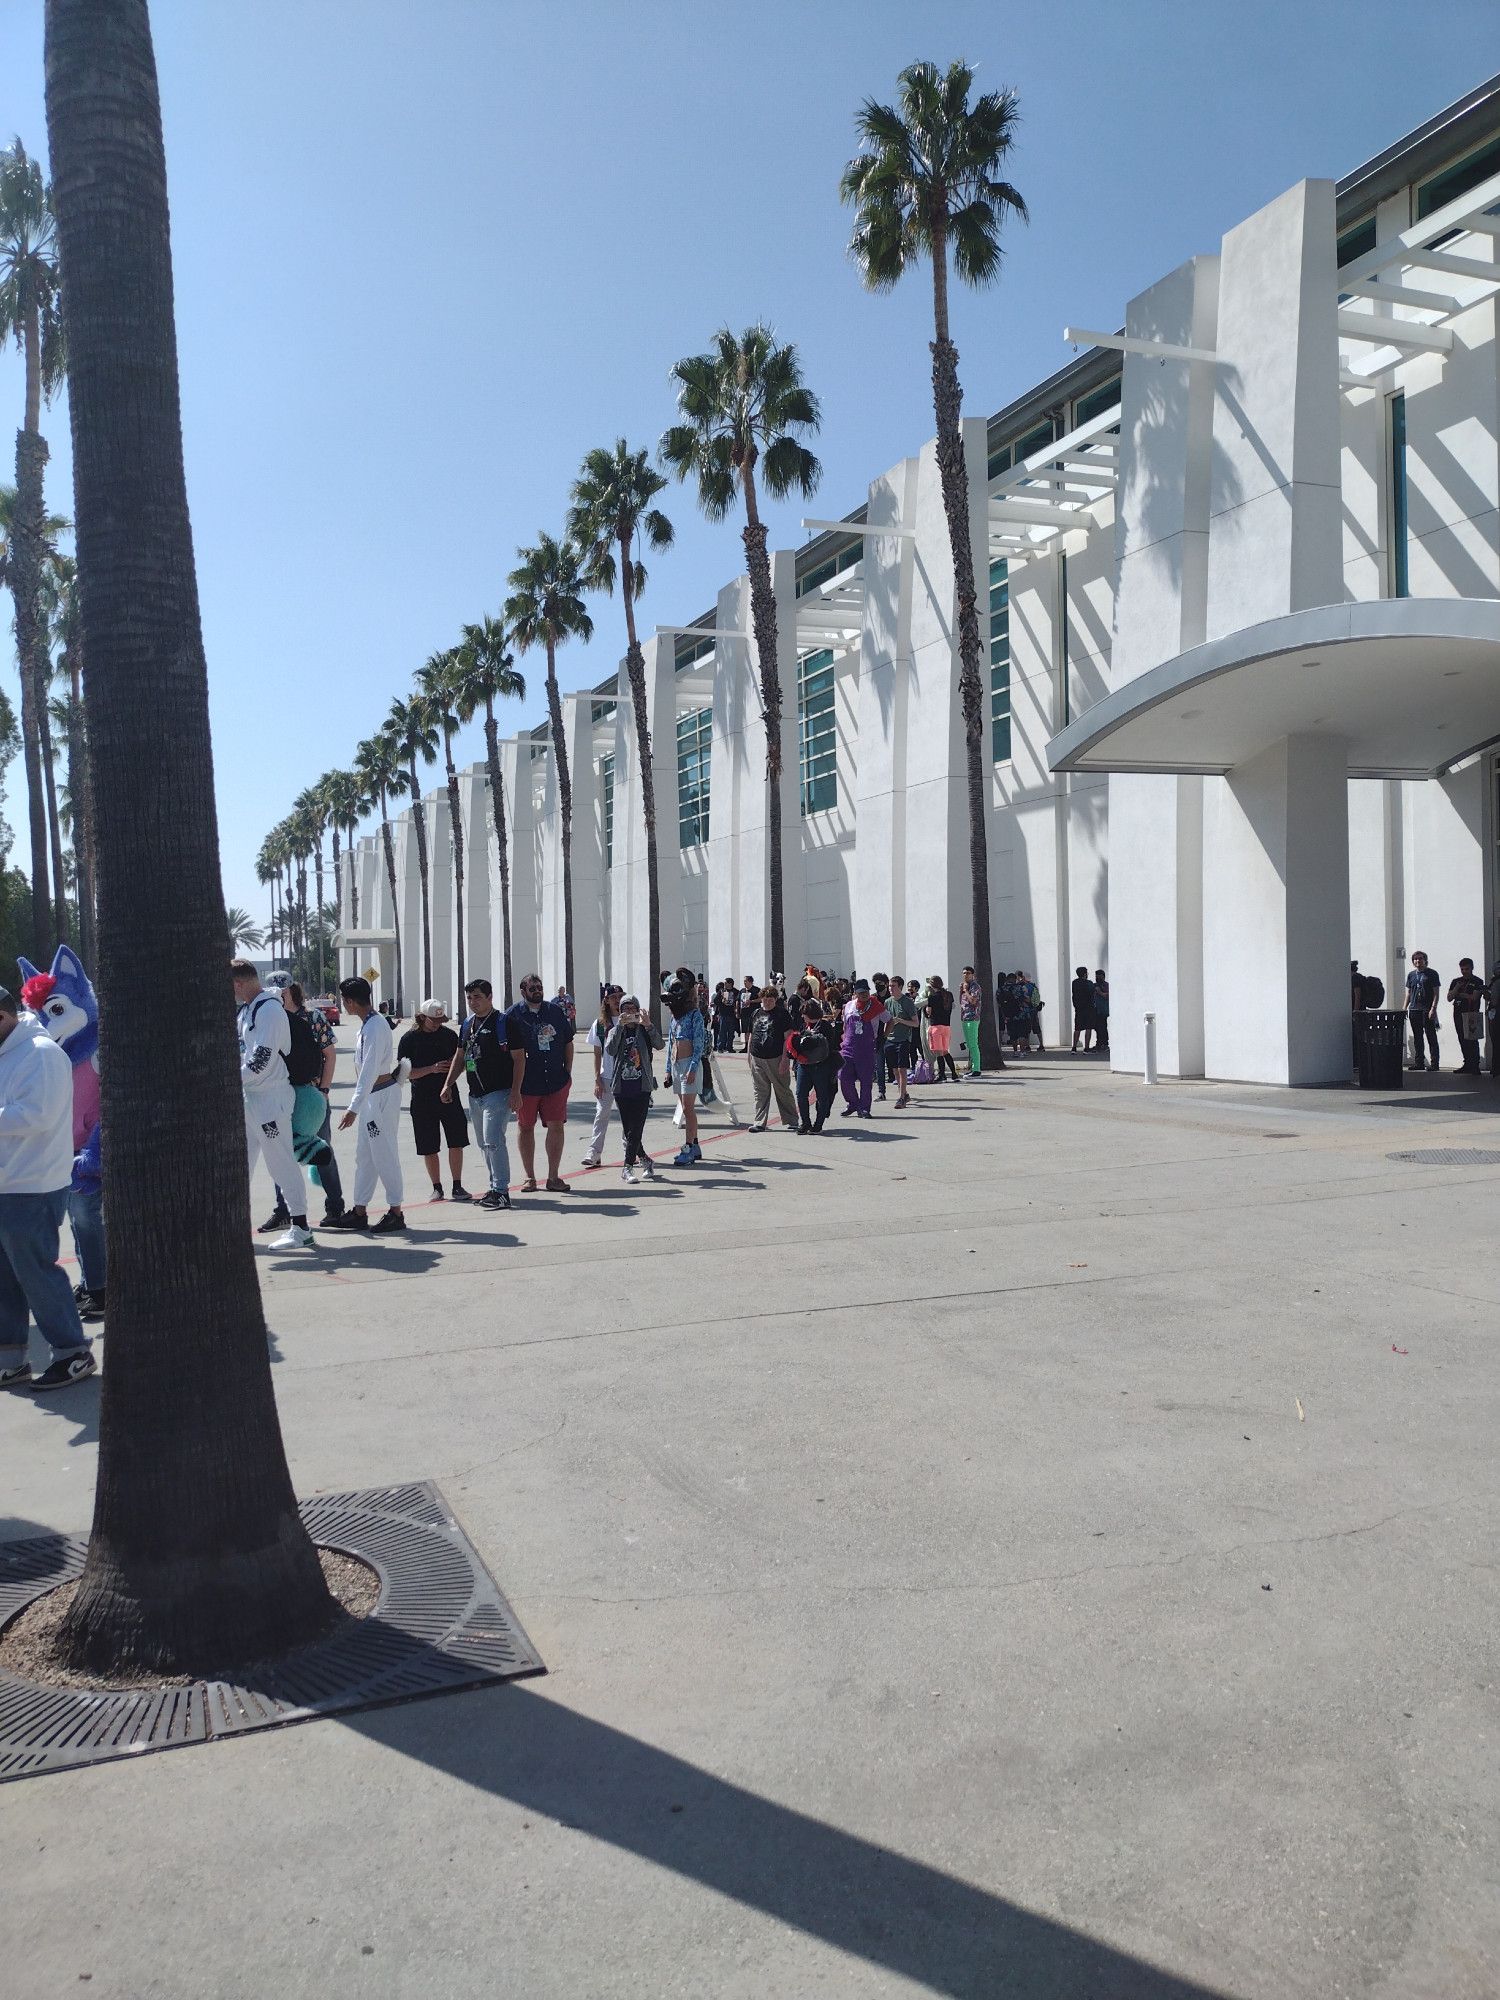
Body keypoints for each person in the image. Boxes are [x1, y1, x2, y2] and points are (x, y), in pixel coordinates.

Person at [0, 986, 96, 1390]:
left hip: (32, 1184)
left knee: (37, 1272)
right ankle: (12, 1357)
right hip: (10, 1182)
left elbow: (35, 1116)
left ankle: (73, 1353)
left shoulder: (41, 1053)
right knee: (5, 1275)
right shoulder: (11, 1052)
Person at [232, 959, 313, 1249]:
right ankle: (235, 1227)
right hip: (250, 1099)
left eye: (231, 986)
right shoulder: (247, 1010)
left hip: (270, 1100)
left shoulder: (269, 1011)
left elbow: (261, 1061)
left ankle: (301, 1226)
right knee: (241, 1165)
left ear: (239, 983)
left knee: (280, 1163)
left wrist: (228, 1081)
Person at [328, 975, 406, 1232]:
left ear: (350, 1001)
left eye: (343, 1000)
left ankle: (395, 1211)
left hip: (380, 1095)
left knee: (384, 1154)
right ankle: (360, 1210)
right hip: (372, 1097)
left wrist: (353, 1107)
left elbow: (369, 1071)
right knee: (366, 1156)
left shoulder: (375, 1026)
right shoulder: (367, 1024)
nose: (343, 1004)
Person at [442, 977, 520, 1210]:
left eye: (477, 997)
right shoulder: (467, 1025)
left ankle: (502, 1191)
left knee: (494, 1141)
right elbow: (460, 1056)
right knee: (484, 1143)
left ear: (489, 997)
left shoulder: (504, 1022)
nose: (473, 1002)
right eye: (469, 998)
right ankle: (494, 1186)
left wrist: (516, 1092)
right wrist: (448, 1084)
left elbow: (519, 1059)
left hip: (499, 1092)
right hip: (475, 1095)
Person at [276, 981, 347, 1225]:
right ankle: (284, 1211)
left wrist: (324, 1090)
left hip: (311, 1096)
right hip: (280, 1097)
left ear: (290, 991)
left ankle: (335, 1206)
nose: (276, 996)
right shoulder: (271, 1018)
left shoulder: (312, 1017)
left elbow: (329, 1054)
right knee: (279, 1153)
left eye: (280, 991)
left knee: (322, 1147)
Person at [507, 971, 575, 1192]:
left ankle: (553, 1177)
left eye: (539, 987)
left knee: (556, 1126)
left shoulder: (554, 1011)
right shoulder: (512, 1015)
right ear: (523, 991)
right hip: (527, 1084)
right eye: (532, 988)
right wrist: (513, 1087)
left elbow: (568, 1042)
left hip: (556, 1081)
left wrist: (567, 1073)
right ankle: (529, 1177)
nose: (537, 991)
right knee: (525, 1127)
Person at [398, 999, 470, 1200]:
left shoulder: (449, 1035)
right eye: (433, 1020)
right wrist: (431, 1069)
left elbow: (461, 1062)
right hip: (422, 1098)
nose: (438, 1023)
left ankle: (457, 1185)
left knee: (456, 1141)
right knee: (428, 1145)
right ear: (422, 1018)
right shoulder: (409, 1039)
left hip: (449, 1095)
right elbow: (403, 1074)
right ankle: (437, 1187)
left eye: (440, 1019)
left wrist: (452, 1073)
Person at [605, 996, 663, 1181]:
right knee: (630, 1129)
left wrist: (648, 1025)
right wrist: (620, 1027)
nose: (629, 1013)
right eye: (625, 1009)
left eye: (633, 1009)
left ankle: (627, 1167)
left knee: (635, 1129)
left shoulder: (644, 1030)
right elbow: (610, 1050)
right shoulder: (616, 1030)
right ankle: (645, 1160)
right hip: (621, 1087)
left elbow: (660, 1045)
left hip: (642, 1086)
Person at [581, 984, 624, 1168]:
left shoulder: (629, 1019)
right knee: (601, 1115)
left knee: (627, 1117)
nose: (617, 999)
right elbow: (597, 1053)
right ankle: (594, 1153)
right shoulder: (599, 1025)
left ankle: (630, 1150)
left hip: (627, 1077)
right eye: (613, 996)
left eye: (620, 996)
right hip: (607, 1077)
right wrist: (597, 1079)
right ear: (606, 1000)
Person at [746, 985, 798, 1131]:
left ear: (775, 1000)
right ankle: (759, 1122)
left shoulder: (782, 1014)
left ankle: (792, 1120)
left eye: (770, 999)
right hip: (757, 1057)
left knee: (782, 1090)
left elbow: (788, 1038)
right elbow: (751, 1034)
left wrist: (785, 1059)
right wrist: (749, 1055)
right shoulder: (756, 1013)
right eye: (765, 999)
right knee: (760, 1091)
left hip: (775, 1058)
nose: (767, 1002)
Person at [69, 1117, 105, 1324]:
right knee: (77, 1222)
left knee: (86, 1219)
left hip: (89, 1146)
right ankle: (88, 1283)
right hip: (67, 1144)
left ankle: (99, 1290)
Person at [667, 980, 706, 1166]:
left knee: (687, 1109)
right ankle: (695, 1145)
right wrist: (668, 1069)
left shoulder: (695, 1015)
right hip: (677, 1065)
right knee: (685, 1108)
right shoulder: (674, 1018)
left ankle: (688, 1147)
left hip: (690, 1065)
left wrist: (692, 1068)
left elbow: (699, 1044)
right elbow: (671, 1044)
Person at [838, 978, 885, 1118]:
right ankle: (853, 1103)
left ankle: (864, 1109)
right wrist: (845, 1037)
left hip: (866, 1048)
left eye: (866, 991)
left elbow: (890, 1020)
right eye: (861, 992)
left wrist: (883, 1037)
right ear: (855, 993)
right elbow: (845, 1024)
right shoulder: (848, 1006)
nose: (864, 994)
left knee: (866, 1081)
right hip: (848, 1047)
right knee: (844, 1077)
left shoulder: (875, 1005)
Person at [787, 1000, 836, 1132]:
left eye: (804, 1014)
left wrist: (812, 1042)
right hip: (803, 1065)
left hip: (821, 1067)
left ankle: (818, 1124)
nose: (802, 1016)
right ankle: (805, 1122)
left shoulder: (825, 1027)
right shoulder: (804, 1026)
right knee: (801, 1094)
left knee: (822, 1096)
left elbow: (830, 1047)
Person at [1447, 958, 1485, 1075]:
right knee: (1462, 1038)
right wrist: (1457, 989)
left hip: (1471, 1013)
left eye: (1467, 969)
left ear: (1472, 968)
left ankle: (1475, 1065)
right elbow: (1449, 997)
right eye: (1462, 969)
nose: (1464, 972)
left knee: (1472, 1039)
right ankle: (1467, 1063)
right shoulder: (1456, 981)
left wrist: (1459, 994)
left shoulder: (1477, 981)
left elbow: (1474, 997)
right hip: (1458, 1013)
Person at [1405, 950, 1441, 1071]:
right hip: (1414, 1009)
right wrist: (1404, 1008)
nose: (1418, 961)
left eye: (1420, 958)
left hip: (1427, 1009)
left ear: (1425, 960)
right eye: (1415, 959)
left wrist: (1433, 1009)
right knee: (1417, 1037)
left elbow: (1436, 993)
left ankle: (1435, 1063)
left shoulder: (1432, 974)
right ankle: (1419, 1062)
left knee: (1431, 1036)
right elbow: (1408, 993)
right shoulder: (1411, 975)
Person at [886, 973, 918, 1107]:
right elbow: (886, 1022)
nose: (890, 988)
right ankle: (904, 1093)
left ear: (900, 987)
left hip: (904, 1039)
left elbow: (915, 1023)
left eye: (893, 986)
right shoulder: (887, 1002)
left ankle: (901, 1098)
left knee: (902, 1068)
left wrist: (901, 1021)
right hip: (890, 1039)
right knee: (894, 1070)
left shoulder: (907, 1002)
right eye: (889, 986)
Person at [924, 976, 958, 1081]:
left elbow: (928, 1013)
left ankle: (942, 1074)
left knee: (938, 1052)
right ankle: (953, 1073)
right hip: (946, 1026)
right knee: (945, 1051)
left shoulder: (932, 997)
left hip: (936, 1026)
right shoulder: (949, 995)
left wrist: (925, 1010)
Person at [958, 967, 983, 1075]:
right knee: (969, 1044)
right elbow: (961, 1002)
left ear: (972, 974)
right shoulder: (965, 986)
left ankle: (976, 1069)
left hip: (972, 1018)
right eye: (964, 973)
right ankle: (972, 1067)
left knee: (973, 1044)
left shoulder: (974, 986)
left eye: (968, 973)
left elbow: (973, 1000)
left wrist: (965, 991)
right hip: (965, 1017)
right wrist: (961, 991)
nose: (965, 975)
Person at [1070, 966, 1096, 1053]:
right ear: (1085, 974)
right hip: (1088, 1008)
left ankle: (1074, 1047)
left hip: (1078, 1008)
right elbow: (1093, 992)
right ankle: (1086, 1048)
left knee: (1077, 1028)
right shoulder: (1089, 983)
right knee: (1088, 1028)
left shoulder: (1074, 983)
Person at [738, 975, 760, 1053]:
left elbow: (761, 999)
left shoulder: (756, 990)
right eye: (744, 981)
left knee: (753, 1030)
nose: (744, 983)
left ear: (750, 982)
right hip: (744, 1013)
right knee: (745, 1030)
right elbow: (738, 1000)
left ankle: (754, 1046)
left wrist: (751, 1001)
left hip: (753, 1013)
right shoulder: (742, 991)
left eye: (746, 981)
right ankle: (746, 1046)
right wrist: (737, 1011)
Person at [1093, 969, 1110, 1055]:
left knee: (1103, 1027)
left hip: (1103, 1010)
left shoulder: (1106, 985)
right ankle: (1098, 1043)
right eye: (1096, 976)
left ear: (1103, 976)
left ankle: (1105, 1044)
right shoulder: (1094, 985)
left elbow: (1107, 995)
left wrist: (1099, 992)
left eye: (1099, 976)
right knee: (1097, 1027)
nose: (1097, 977)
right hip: (1095, 1010)